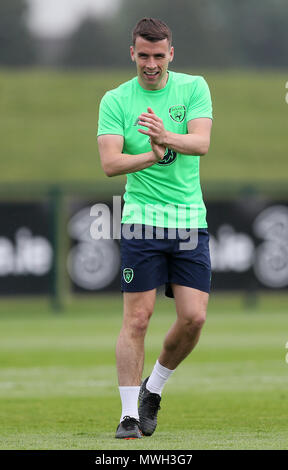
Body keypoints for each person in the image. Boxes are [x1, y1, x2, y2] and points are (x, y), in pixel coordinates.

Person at [97, 17, 213, 439]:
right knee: (138, 318)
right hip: (141, 219)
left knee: (194, 318)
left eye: (158, 55)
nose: (150, 63)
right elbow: (110, 164)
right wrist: (151, 154)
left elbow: (201, 143)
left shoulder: (193, 87)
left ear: (171, 53)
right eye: (143, 55)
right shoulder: (115, 100)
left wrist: (166, 135)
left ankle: (153, 388)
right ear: (132, 53)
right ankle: (129, 415)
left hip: (189, 221)